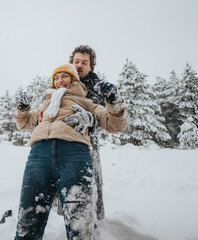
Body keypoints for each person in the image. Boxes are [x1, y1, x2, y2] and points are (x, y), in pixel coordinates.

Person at [13, 64, 127, 239]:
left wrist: (114, 101)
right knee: (27, 222)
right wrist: (22, 108)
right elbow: (24, 122)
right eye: (56, 78)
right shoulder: (46, 104)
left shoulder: (86, 102)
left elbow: (115, 124)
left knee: (80, 227)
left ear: (74, 80)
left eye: (64, 76)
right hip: (38, 156)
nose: (59, 81)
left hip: (74, 155)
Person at [65, 44, 120, 220]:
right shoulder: (63, 81)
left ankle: (94, 222)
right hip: (62, 140)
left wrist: (91, 121)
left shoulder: (98, 87)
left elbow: (105, 118)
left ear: (91, 66)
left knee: (91, 184)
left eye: (84, 62)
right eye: (76, 61)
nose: (79, 65)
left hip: (88, 143)